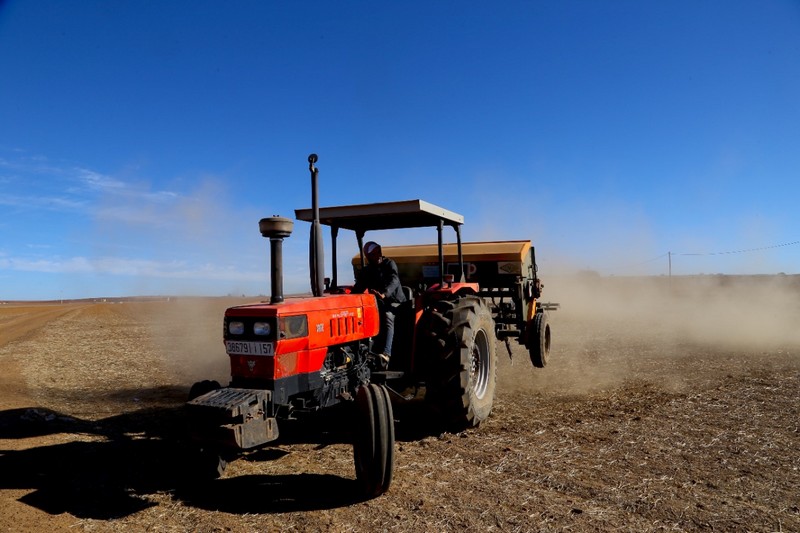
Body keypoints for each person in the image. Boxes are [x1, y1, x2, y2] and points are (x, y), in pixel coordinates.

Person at [352, 241, 406, 368]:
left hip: (395, 302)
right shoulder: (367, 271)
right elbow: (358, 288)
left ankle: (386, 354)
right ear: (368, 256)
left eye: (378, 252)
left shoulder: (389, 264)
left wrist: (385, 293)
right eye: (373, 254)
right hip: (378, 304)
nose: (377, 256)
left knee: (388, 316)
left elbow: (394, 279)